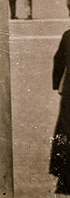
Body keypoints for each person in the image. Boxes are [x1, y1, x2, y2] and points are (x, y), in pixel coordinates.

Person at [50, 30, 70, 195]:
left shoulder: (68, 36)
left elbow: (59, 60)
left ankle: (65, 180)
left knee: (66, 133)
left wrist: (57, 83)